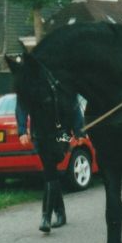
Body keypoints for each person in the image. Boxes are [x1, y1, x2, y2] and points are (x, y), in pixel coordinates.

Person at [16, 96, 85, 233]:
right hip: (39, 136)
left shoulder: (60, 83)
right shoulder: (31, 86)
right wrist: (22, 130)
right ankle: (55, 215)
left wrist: (79, 131)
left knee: (50, 167)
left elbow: (73, 103)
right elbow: (22, 104)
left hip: (62, 135)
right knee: (50, 168)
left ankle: (49, 216)